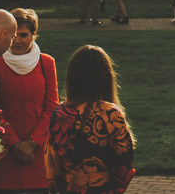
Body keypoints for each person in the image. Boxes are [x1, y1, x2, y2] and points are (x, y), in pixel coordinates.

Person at [49, 44, 136, 194]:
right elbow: (125, 167)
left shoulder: (59, 113)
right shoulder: (110, 114)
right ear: (106, 78)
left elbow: (51, 167)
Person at [0, 7, 59, 193]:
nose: (17, 41)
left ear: (34, 35)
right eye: (13, 36)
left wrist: (32, 143)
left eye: (24, 35)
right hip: (5, 157)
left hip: (38, 158)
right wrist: (14, 143)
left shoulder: (46, 63)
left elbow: (52, 108)